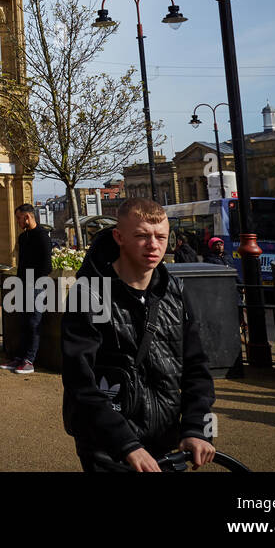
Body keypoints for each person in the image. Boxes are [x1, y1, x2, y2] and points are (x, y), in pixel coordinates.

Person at [61, 197, 216, 472]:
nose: (154, 245)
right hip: (108, 445)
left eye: (161, 236)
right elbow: (80, 381)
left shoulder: (175, 292)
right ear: (119, 237)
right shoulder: (88, 295)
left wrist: (196, 427)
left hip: (166, 440)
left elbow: (196, 368)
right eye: (142, 236)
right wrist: (126, 444)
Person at [2, 203, 52, 374]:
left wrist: (32, 282)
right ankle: (20, 358)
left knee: (33, 323)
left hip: (36, 286)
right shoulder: (23, 238)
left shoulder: (42, 236)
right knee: (23, 322)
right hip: (23, 284)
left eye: (18, 218)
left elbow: (47, 266)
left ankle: (29, 360)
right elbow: (22, 264)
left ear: (27, 217)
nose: (17, 221)